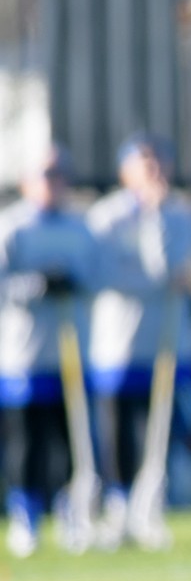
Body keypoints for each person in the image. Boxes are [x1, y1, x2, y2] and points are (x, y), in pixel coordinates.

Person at [85, 132, 191, 551]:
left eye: (158, 161)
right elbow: (104, 274)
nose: (152, 170)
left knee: (159, 427)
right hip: (119, 342)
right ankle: (117, 506)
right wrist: (152, 279)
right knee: (118, 428)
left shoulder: (180, 215)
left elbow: (173, 267)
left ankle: (149, 505)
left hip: (166, 341)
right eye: (142, 161)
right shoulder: (107, 217)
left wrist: (156, 219)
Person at [0, 145, 100, 558]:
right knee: (27, 440)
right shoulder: (13, 227)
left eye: (60, 176)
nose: (53, 184)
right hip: (25, 354)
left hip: (71, 354)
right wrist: (35, 285)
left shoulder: (80, 229)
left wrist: (73, 283)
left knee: (69, 439)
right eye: (45, 175)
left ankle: (68, 510)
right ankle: (25, 514)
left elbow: (98, 277)